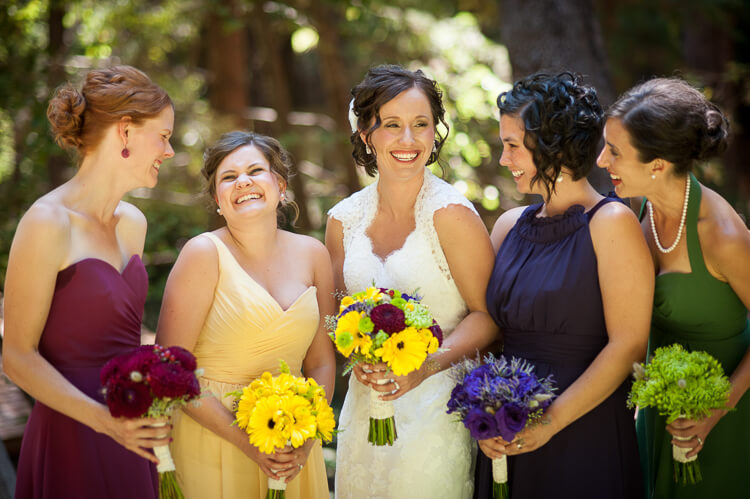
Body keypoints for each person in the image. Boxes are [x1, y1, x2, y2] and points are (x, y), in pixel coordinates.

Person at [475, 72, 654, 499]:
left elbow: (628, 344)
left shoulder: (612, 224)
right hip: (505, 433)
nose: (503, 159)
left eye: (513, 146)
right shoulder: (506, 227)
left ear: (551, 142)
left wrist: (552, 421)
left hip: (583, 432)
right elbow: (490, 334)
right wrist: (483, 415)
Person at [2, 65, 175, 498]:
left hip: (133, 431)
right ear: (126, 131)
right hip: (72, 431)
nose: (168, 151)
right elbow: (17, 357)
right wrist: (104, 420)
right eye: (164, 136)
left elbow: (125, 341)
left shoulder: (133, 223)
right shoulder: (47, 222)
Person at [327, 65, 498, 499]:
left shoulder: (452, 216)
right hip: (365, 411)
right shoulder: (342, 221)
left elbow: (489, 316)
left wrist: (426, 365)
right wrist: (357, 354)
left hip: (436, 412)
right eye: (392, 126)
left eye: (420, 125)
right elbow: (339, 317)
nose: (408, 140)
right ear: (367, 134)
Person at [155, 131, 334, 499]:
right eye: (229, 176)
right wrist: (249, 443)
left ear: (280, 185)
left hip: (291, 444)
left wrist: (306, 438)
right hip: (214, 441)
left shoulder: (314, 254)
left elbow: (321, 363)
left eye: (255, 170)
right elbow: (172, 373)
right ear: (218, 199)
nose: (244, 181)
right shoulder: (202, 254)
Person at [597, 77, 750, 499]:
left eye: (613, 152)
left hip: (726, 416)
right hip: (661, 412)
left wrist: (714, 413)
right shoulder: (637, 204)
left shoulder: (721, 235)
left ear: (658, 165)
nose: (600, 160)